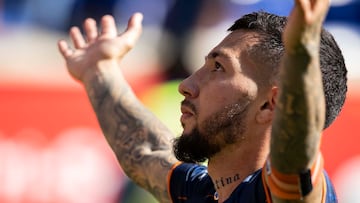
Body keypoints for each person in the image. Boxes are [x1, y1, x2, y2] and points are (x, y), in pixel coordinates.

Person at [58, 0, 347, 202]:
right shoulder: (201, 192)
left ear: (272, 105)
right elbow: (144, 150)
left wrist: (302, 56)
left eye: (219, 68)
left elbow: (297, 146)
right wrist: (99, 69)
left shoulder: (282, 193)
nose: (187, 86)